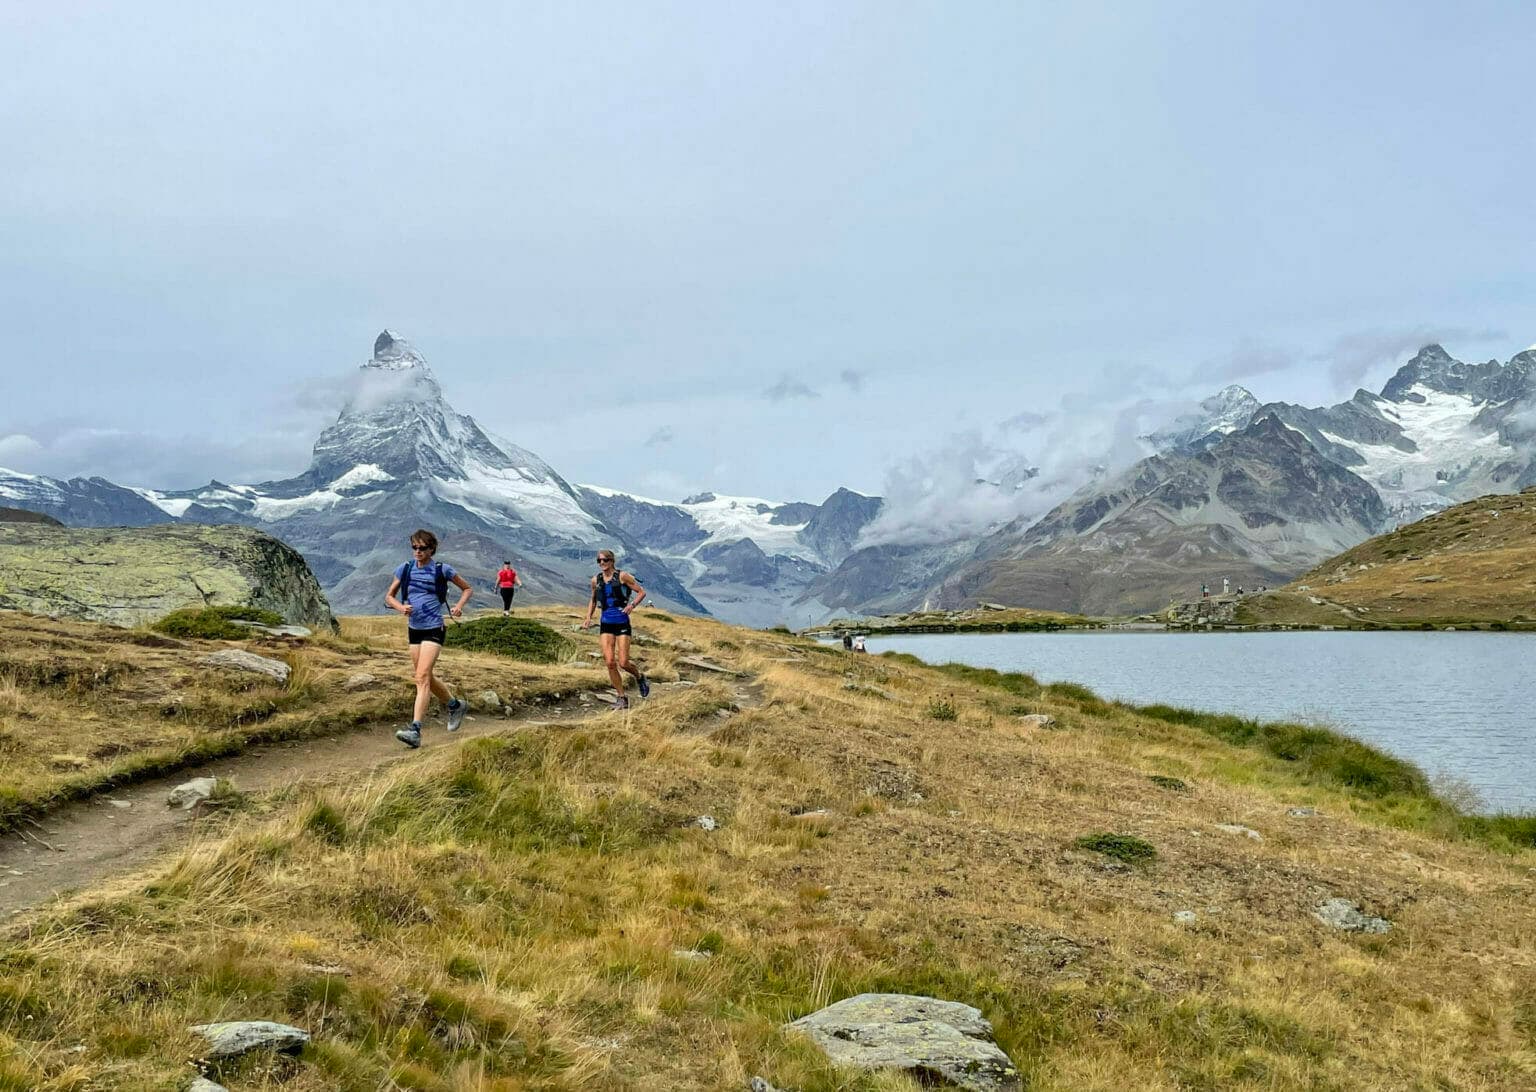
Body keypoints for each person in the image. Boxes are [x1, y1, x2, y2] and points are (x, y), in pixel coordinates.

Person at [384, 528, 473, 748]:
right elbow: (389, 596)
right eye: (414, 547)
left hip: (434, 627)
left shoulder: (442, 570)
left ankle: (415, 730)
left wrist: (458, 607)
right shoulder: (405, 568)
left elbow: (467, 588)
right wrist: (400, 607)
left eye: (422, 548)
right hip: (414, 628)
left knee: (421, 676)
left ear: (431, 549)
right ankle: (454, 705)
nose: (417, 551)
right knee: (425, 677)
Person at [581, 549, 649, 710]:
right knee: (610, 662)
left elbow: (641, 592)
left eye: (605, 560)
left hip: (622, 621)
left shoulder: (623, 576)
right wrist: (588, 617)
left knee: (624, 662)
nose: (602, 563)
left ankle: (640, 677)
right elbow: (593, 599)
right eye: (599, 561)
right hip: (606, 622)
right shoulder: (595, 580)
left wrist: (631, 606)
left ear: (612, 561)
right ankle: (621, 698)